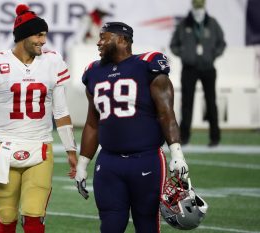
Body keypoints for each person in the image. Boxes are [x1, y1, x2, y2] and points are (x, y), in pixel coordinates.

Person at [0, 4, 77, 233]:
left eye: (44, 35)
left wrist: (70, 150)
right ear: (23, 36)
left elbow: (61, 111)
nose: (43, 41)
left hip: (40, 147)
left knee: (34, 218)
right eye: (38, 34)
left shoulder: (53, 61)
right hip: (4, 147)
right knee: (6, 219)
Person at [74, 22, 189, 233]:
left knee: (146, 225)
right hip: (108, 162)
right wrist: (82, 164)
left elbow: (166, 113)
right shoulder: (93, 72)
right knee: (110, 225)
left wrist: (177, 153)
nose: (98, 43)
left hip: (145, 159)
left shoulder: (148, 64)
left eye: (104, 38)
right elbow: (93, 122)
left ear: (122, 40)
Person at [170, 0, 226, 147]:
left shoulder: (212, 23)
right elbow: (173, 44)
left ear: (204, 6)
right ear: (192, 6)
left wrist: (213, 54)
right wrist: (183, 54)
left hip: (208, 67)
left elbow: (222, 43)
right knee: (187, 103)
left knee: (211, 102)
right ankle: (184, 137)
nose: (198, 10)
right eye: (196, 6)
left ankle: (215, 138)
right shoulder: (184, 24)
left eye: (200, 7)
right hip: (189, 68)